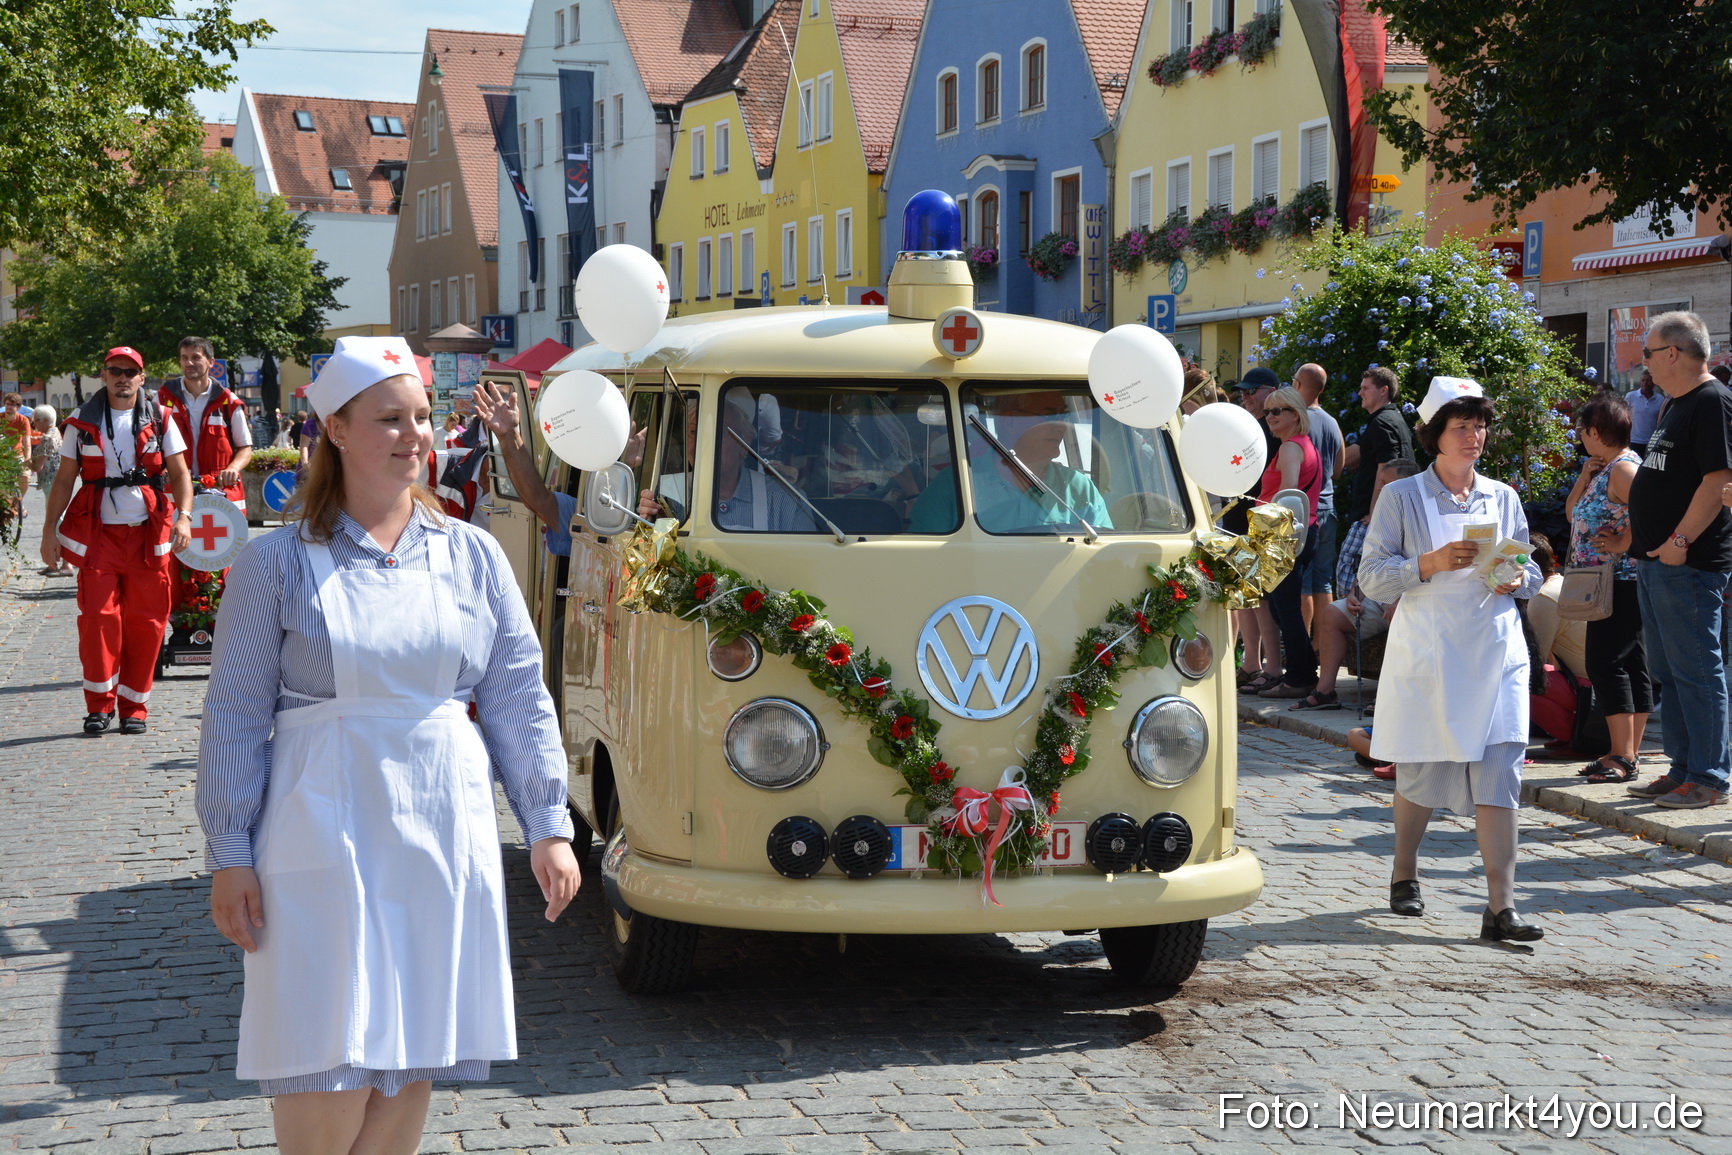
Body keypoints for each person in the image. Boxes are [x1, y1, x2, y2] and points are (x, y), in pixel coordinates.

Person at [196, 336, 580, 1155]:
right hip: (319, 835)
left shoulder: (471, 554)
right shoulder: (274, 565)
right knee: (323, 1065)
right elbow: (234, 713)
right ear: (336, 428)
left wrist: (548, 824)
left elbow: (516, 690)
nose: (415, 435)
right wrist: (230, 851)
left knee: (410, 1062)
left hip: (439, 830)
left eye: (422, 417)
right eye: (390, 418)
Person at [1358, 377, 1545, 942]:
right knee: (1422, 770)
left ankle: (1501, 908)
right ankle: (1404, 869)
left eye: (1480, 426)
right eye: (1461, 427)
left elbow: (1531, 569)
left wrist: (1515, 578)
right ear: (1435, 435)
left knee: (1501, 773)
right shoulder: (1402, 496)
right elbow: (1372, 578)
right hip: (1432, 653)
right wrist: (1429, 563)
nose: (1473, 436)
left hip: (1496, 652)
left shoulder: (1502, 496)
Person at [42, 347, 195, 734]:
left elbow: (180, 474)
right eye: (115, 371)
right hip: (99, 537)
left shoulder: (161, 418)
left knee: (147, 623)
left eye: (130, 372)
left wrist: (184, 517)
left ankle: (134, 708)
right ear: (104, 375)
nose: (122, 378)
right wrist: (48, 531)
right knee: (98, 619)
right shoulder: (81, 422)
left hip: (147, 535)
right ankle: (99, 706)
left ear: (142, 377)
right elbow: (64, 479)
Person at [1624, 311, 1732, 810]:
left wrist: (1680, 540)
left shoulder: (1711, 401)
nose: (1643, 362)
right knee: (1670, 670)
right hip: (1660, 561)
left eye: (1647, 352)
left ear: (1672, 353)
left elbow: (1718, 480)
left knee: (1697, 671)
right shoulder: (1677, 404)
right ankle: (1684, 769)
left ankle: (1709, 777)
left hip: (1687, 562)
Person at [1561, 392, 1649, 783]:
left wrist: (1622, 542)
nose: (1580, 436)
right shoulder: (1606, 468)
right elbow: (1572, 514)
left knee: (1605, 663)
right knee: (1629, 663)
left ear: (1594, 432)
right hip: (1609, 582)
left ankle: (1623, 756)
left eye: (1581, 430)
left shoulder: (1624, 469)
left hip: (1621, 581)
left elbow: (1655, 512)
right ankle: (1625, 752)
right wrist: (1585, 475)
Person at [1288, 458, 1421, 711]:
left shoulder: (1421, 519)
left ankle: (1389, 695)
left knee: (1400, 614)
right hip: (1377, 599)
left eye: (1386, 483)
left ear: (1407, 485)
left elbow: (1424, 569)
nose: (1380, 488)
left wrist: (1398, 599)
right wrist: (1354, 593)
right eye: (1380, 482)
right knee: (1332, 613)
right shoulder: (1380, 517)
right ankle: (1324, 692)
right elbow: (1368, 563)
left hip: (1411, 600)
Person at [1254, 385, 1323, 699]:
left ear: (1295, 414)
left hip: (1285, 535)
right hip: (1300, 533)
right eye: (1267, 411)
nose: (1270, 416)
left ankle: (1298, 679)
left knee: (1286, 610)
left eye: (1277, 411)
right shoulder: (1302, 444)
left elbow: (1290, 493)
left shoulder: (1291, 448)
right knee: (1282, 610)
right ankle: (1305, 672)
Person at [1338, 366, 1414, 598]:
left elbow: (1386, 470)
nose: (1360, 393)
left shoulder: (1382, 422)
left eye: (1365, 388)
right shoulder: (1389, 419)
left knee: (1349, 579)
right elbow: (1359, 454)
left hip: (1374, 517)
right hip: (1386, 514)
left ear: (1383, 390)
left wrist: (1375, 513)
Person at [1293, 363, 1343, 630]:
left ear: (1298, 384)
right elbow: (1339, 469)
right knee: (1323, 581)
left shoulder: (1298, 421)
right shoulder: (1332, 422)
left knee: (1303, 580)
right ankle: (1324, 644)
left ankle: (1301, 643)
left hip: (1306, 510)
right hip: (1329, 506)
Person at [1626, 370, 1665, 458]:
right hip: (1633, 441)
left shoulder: (1660, 399)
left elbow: (1661, 421)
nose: (1645, 383)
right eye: (1643, 380)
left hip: (1651, 442)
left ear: (1653, 382)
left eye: (1648, 380)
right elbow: (1624, 417)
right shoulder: (1631, 396)